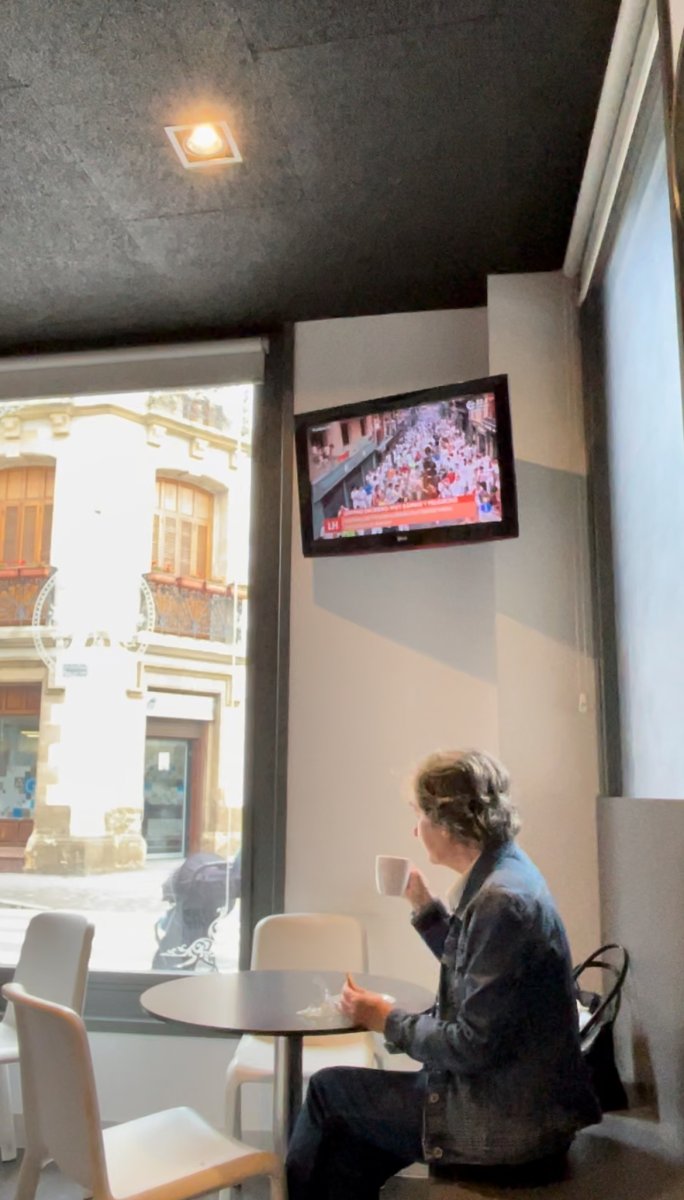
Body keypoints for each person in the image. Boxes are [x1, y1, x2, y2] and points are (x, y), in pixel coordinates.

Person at [286, 749, 601, 1200]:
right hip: (519, 1105)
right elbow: (480, 969)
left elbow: (472, 1044)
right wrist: (424, 906)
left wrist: (384, 1019)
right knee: (345, 1148)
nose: (415, 830)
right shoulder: (509, 873)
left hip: (504, 1124)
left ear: (448, 822)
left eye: (418, 816)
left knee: (326, 1093)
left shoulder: (499, 902)